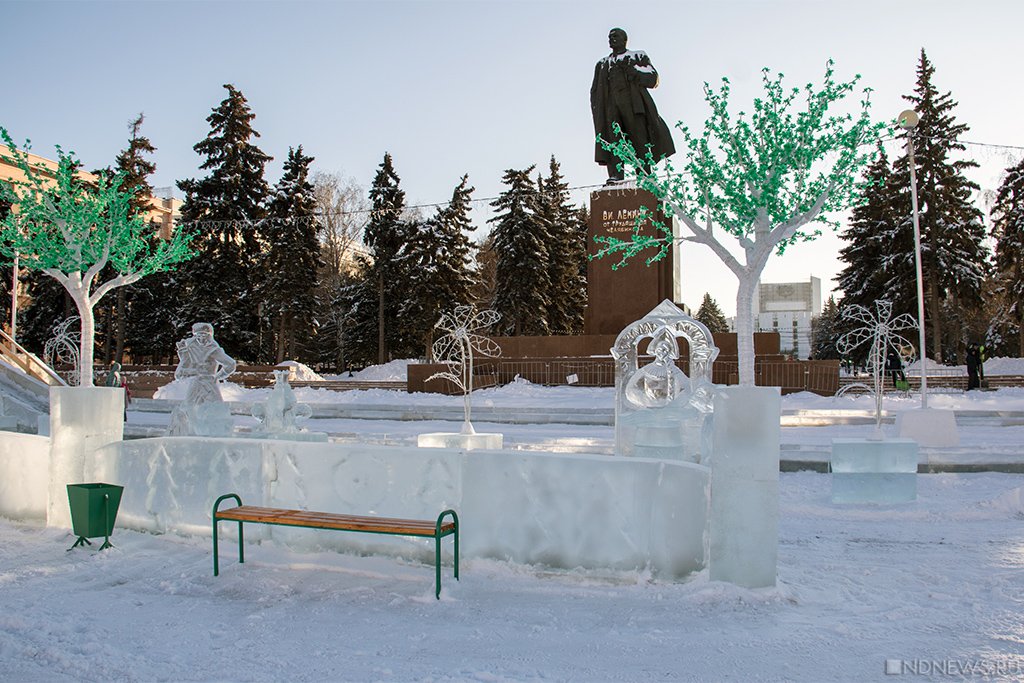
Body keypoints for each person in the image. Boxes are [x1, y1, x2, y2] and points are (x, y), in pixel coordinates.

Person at [591, 27, 676, 182]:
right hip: (611, 107)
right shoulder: (602, 64)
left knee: (639, 139)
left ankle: (643, 173)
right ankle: (616, 175)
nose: (612, 39)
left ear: (625, 39)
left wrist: (634, 72)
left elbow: (653, 79)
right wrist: (599, 113)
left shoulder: (637, 56)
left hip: (634, 107)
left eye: (616, 36)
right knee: (614, 140)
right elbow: (595, 91)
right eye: (610, 36)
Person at [168, 322, 237, 435]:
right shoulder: (190, 346)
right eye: (198, 335)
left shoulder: (213, 350)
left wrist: (218, 376)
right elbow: (184, 367)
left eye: (204, 335)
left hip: (209, 383)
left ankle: (217, 433)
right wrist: (183, 352)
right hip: (196, 382)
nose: (201, 338)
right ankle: (192, 430)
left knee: (216, 408)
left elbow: (231, 364)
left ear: (209, 336)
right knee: (189, 407)